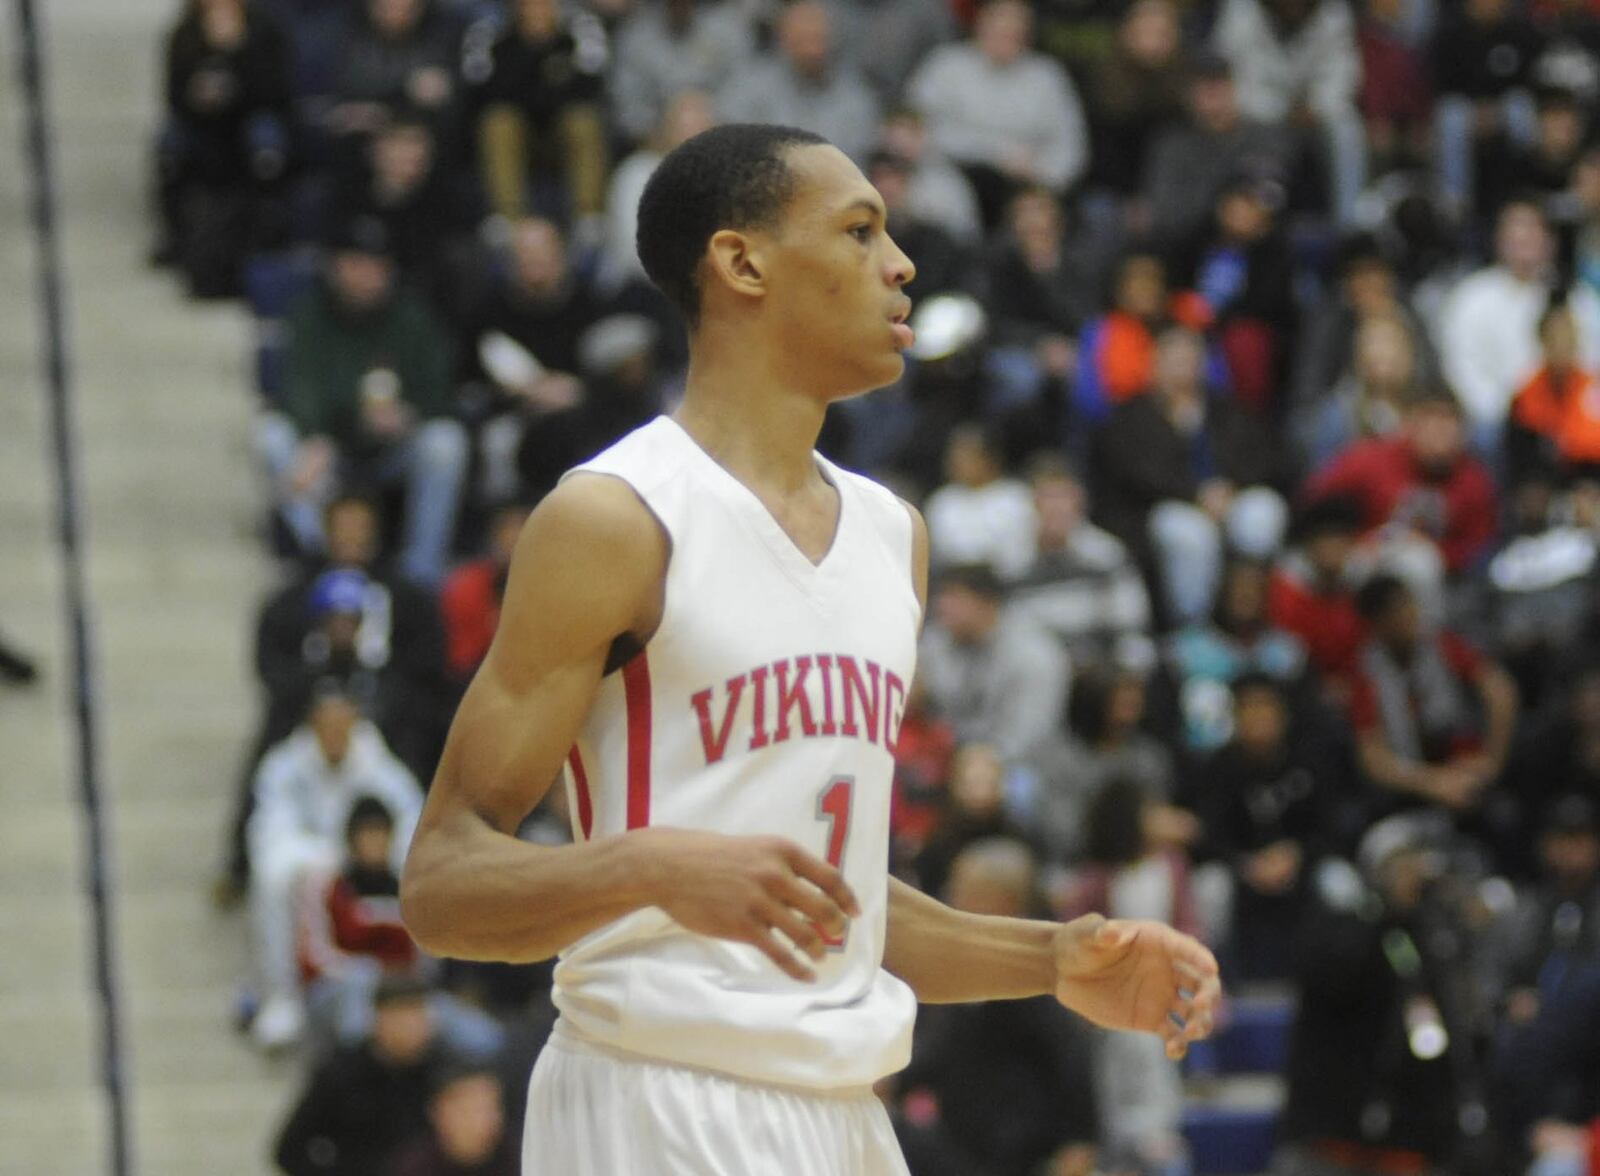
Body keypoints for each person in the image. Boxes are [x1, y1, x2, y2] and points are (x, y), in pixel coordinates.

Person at [400, 123, 1220, 1175]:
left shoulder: (894, 536)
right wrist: (648, 867)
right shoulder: (617, 518)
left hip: (838, 1112)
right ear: (742, 263)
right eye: (859, 230)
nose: (901, 264)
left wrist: (1051, 958)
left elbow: (843, 907)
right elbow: (440, 883)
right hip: (653, 1095)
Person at [257, 216, 467, 586]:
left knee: (446, 442)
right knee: (271, 435)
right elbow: (300, 389)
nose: (365, 274)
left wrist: (408, 415)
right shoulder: (311, 316)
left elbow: (440, 391)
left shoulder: (411, 317)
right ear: (336, 267)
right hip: (335, 450)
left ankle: (421, 574)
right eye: (355, 263)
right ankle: (326, 557)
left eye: (375, 265)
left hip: (394, 448)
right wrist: (320, 436)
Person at [249, 684, 425, 1048]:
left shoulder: (378, 764)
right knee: (274, 874)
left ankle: (416, 985)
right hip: (313, 864)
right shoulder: (285, 768)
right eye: (326, 726)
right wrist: (340, 855)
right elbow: (271, 831)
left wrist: (372, 851)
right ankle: (282, 996)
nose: (335, 735)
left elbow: (412, 818)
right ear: (312, 724)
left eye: (342, 725)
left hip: (371, 867)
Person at [906, 0, 1089, 228]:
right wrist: (997, 152)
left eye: (1014, 31)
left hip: (1024, 183)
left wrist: (1044, 177)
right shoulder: (946, 66)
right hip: (951, 174)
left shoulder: (1047, 77)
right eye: (998, 28)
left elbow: (1070, 145)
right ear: (980, 26)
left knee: (1038, 214)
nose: (1005, 37)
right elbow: (915, 132)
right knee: (935, 198)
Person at [273, 974, 451, 1176]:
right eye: (404, 1017)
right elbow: (289, 1151)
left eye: (419, 1016)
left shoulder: (445, 1070)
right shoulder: (340, 1072)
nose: (414, 1026)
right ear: (379, 1018)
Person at [472, 0, 609, 228]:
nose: (538, 9)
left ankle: (588, 218)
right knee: (498, 121)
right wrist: (536, 56)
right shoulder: (492, 30)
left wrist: (538, 70)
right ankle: (508, 219)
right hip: (518, 131)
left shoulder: (582, 26)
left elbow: (589, 86)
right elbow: (484, 92)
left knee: (583, 119)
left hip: (561, 131)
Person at [918, 562, 1070, 760]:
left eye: (954, 597)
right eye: (941, 596)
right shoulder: (937, 641)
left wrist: (978, 763)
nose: (942, 606)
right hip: (949, 761)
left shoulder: (1034, 654)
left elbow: (1029, 737)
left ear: (987, 603)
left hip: (1022, 769)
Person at [716, 2, 880, 164]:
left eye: (817, 39)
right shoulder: (749, 85)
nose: (811, 50)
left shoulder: (856, 99)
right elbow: (729, 144)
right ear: (784, 39)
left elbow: (857, 162)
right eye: (802, 39)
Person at [388, 1063, 519, 1176]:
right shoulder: (413, 1167)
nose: (481, 1121)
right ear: (437, 1112)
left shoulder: (521, 1159)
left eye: (490, 1108)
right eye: (468, 1110)